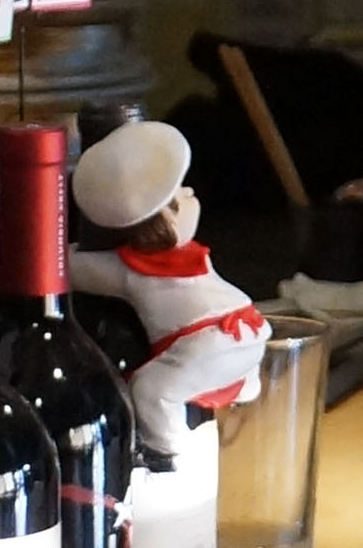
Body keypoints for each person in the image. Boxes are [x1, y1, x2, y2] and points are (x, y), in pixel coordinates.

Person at [66, 118, 269, 460]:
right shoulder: (194, 256)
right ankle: (245, 385)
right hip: (251, 329)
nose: (191, 196)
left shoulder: (132, 270)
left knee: (149, 391)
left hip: (210, 342)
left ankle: (169, 452)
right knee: (194, 377)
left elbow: (71, 268)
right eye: (180, 198)